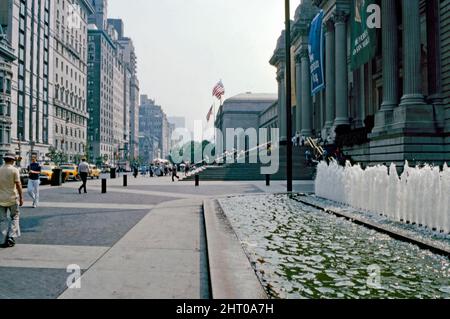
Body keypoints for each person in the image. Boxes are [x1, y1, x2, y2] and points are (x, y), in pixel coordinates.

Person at [0, 153, 24, 248]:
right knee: (15, 216)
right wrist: (21, 197)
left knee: (2, 219)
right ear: (12, 160)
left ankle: (2, 239)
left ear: (5, 160)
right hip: (12, 199)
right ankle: (11, 236)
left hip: (1, 199)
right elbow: (18, 185)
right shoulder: (14, 170)